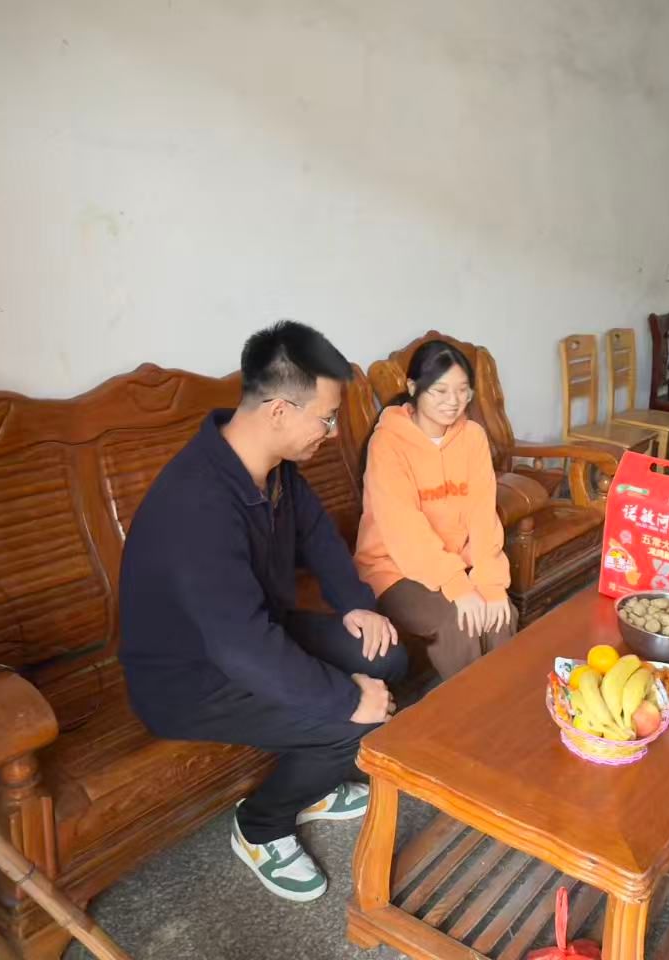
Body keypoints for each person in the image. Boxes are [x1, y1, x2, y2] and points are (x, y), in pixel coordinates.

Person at [118, 320, 408, 903]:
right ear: (278, 411)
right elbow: (241, 649)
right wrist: (344, 698)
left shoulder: (273, 469)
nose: (331, 432)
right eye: (326, 418)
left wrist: (356, 605)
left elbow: (317, 535)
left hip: (254, 633)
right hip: (190, 680)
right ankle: (261, 826)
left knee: (386, 655)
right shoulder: (196, 502)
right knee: (357, 720)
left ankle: (314, 780)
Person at [354, 340, 517, 678]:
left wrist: (490, 583)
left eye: (462, 390)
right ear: (414, 388)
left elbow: (482, 515)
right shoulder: (387, 443)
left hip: (455, 558)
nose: (453, 401)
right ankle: (470, 708)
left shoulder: (472, 437)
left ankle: (504, 702)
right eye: (440, 390)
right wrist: (457, 585)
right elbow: (405, 531)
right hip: (393, 568)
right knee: (459, 622)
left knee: (502, 614)